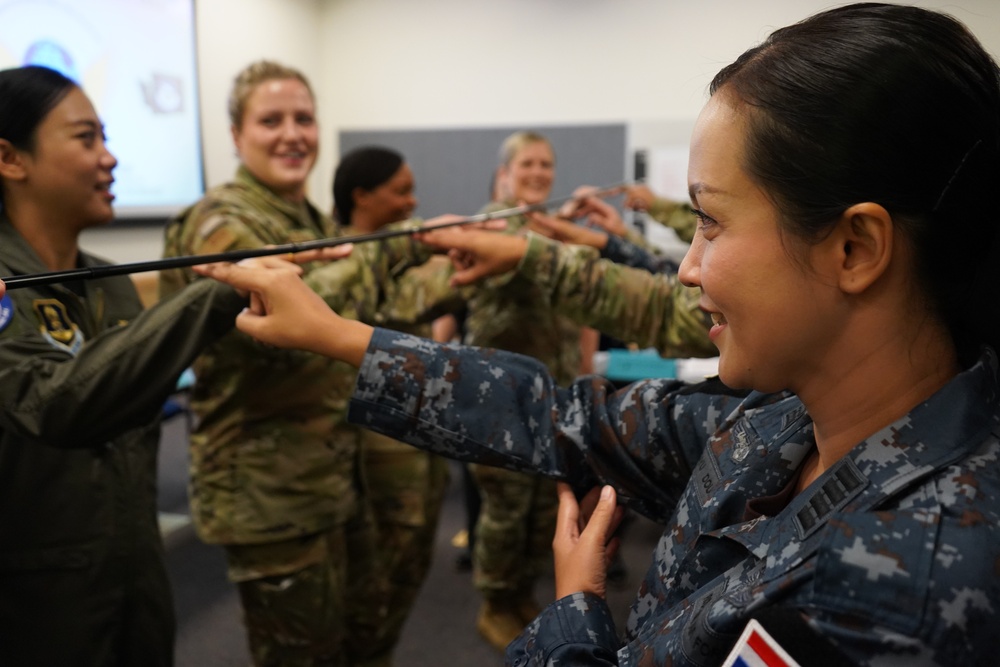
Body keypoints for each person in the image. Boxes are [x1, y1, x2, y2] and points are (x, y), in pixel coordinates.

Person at [196, 4, 1000, 665]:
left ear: (855, 249)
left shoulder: (894, 595)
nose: (684, 270)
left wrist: (576, 618)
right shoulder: (788, 419)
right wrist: (345, 338)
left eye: (711, 224)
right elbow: (557, 413)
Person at [159, 61, 456, 666]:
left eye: (304, 118)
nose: (292, 134)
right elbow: (290, 315)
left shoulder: (310, 222)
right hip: (272, 495)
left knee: (358, 640)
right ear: (237, 136)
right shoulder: (220, 221)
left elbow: (370, 305)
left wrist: (460, 265)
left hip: (332, 476)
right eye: (271, 121)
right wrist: (396, 242)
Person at [0, 64, 251, 666]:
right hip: (35, 606)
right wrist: (217, 290)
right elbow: (56, 402)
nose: (109, 158)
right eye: (86, 138)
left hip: (134, 581)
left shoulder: (107, 287)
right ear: (11, 159)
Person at [459, 130, 584, 650]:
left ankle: (519, 596)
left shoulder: (546, 227)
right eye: (528, 164)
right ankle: (494, 602)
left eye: (546, 165)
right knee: (505, 513)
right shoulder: (493, 224)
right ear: (505, 173)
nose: (538, 173)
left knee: (538, 509)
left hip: (547, 398)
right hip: (499, 402)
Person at [330, 145, 454, 658]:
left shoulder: (400, 247)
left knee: (412, 555)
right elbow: (394, 303)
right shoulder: (341, 262)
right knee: (382, 565)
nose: (412, 200)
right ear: (361, 196)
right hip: (376, 436)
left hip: (416, 424)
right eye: (400, 191)